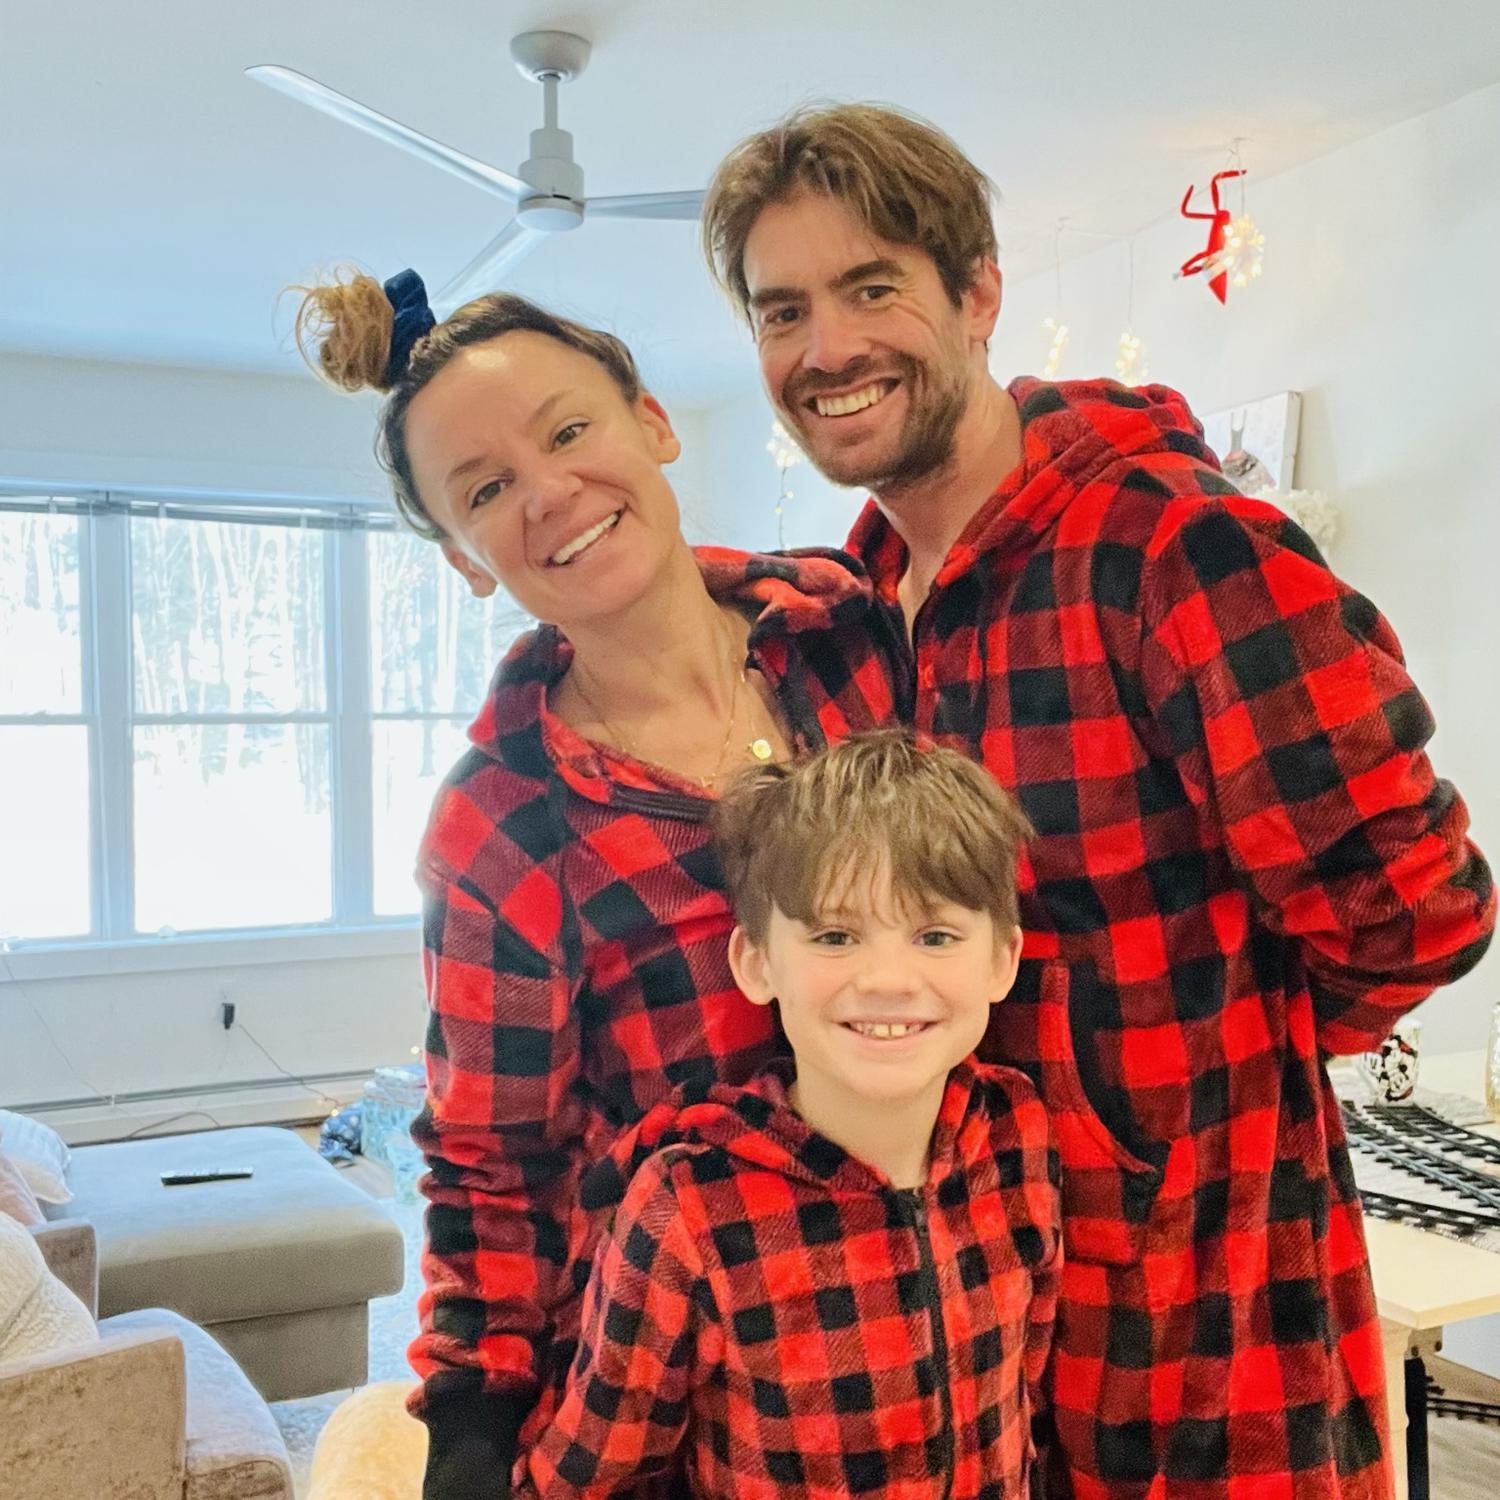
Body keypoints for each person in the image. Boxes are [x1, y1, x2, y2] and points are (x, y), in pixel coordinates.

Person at [701, 105, 1496, 1498]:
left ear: (980, 292)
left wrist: (1202, 1094)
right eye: (783, 310)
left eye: (874, 286)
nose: (825, 350)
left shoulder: (1175, 548)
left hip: (1193, 1338)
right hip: (955, 1336)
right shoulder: (857, 616)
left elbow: (1419, 911)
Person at [294, 269, 900, 1499]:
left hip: (955, 1330)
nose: (551, 493)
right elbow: (490, 1170)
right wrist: (469, 1432)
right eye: (487, 489)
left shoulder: (852, 634)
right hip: (692, 1402)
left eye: (568, 430)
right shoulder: (504, 822)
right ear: (468, 562)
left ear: (655, 423)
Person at [516, 730, 1059, 1500]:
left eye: (935, 935)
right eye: (836, 936)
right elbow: (589, 1477)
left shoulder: (1017, 1130)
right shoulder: (689, 1208)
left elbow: (1025, 1395)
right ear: (756, 962)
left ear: (1002, 960)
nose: (888, 980)